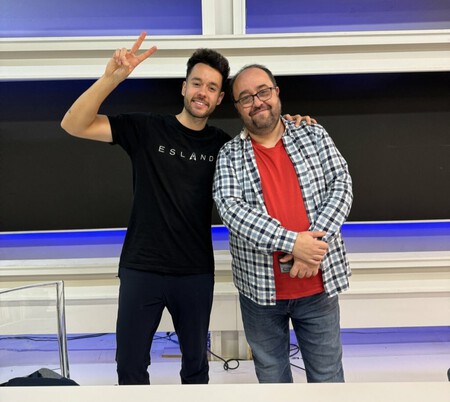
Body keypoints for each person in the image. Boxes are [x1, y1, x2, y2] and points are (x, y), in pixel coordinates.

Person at [61, 33, 311, 385]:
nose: (202, 92)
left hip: (194, 272)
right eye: (196, 83)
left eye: (212, 87)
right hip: (141, 268)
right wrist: (111, 78)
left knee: (196, 368)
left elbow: (268, 140)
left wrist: (295, 124)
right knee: (129, 365)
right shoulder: (147, 128)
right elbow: (73, 124)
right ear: (184, 87)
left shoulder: (225, 147)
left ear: (220, 98)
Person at [213, 64, 353, 384]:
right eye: (246, 97)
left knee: (328, 377)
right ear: (237, 107)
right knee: (272, 379)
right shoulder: (229, 155)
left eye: (263, 91)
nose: (257, 102)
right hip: (260, 292)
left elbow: (341, 185)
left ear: (276, 93)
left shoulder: (313, 134)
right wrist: (293, 243)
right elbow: (232, 211)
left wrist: (311, 247)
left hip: (318, 286)